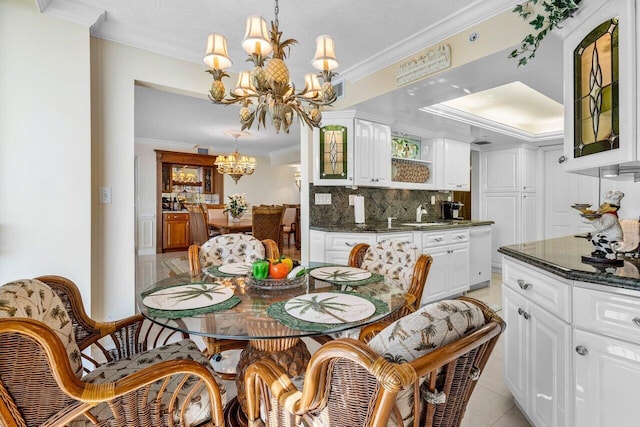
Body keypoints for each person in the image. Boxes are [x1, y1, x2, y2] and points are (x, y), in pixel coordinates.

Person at [579, 190, 624, 260]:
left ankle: (610, 254)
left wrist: (593, 218)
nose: (602, 205)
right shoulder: (604, 214)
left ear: (613, 208)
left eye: (605, 204)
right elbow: (586, 221)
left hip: (614, 235)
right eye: (604, 203)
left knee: (601, 240)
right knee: (594, 239)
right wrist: (585, 213)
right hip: (606, 233)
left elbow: (601, 227)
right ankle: (600, 251)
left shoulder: (611, 217)